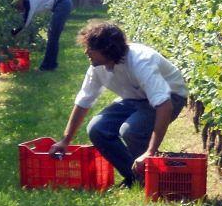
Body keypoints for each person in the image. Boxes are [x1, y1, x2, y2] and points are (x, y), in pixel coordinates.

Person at [51, 20, 187, 187]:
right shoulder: (97, 67)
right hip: (134, 97)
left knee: (132, 130)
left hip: (171, 96)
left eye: (91, 49)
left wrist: (150, 152)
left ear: (107, 50)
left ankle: (154, 177)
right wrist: (66, 140)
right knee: (97, 129)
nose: (86, 52)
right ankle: (136, 178)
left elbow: (164, 105)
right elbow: (84, 100)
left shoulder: (141, 61)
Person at [12, 0, 73, 71]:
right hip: (62, 2)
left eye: (19, 8)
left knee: (53, 37)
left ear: (19, 0)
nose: (20, 10)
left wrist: (13, 34)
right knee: (52, 36)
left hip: (63, 4)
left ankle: (47, 67)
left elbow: (25, 23)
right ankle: (51, 65)